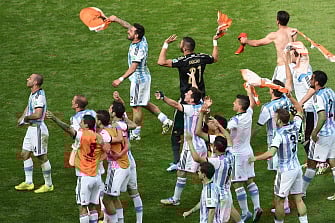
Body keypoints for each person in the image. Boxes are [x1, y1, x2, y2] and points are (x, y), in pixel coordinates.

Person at [157, 33, 222, 172]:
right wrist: (215, 42)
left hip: (187, 100)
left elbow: (161, 62)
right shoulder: (202, 57)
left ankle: (176, 161)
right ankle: (210, 158)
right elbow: (215, 58)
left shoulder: (182, 60)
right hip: (201, 100)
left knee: (177, 130)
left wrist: (165, 44)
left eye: (181, 44)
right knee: (203, 129)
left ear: (185, 48)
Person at [109, 15, 173, 140]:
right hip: (143, 77)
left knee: (136, 106)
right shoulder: (142, 39)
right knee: (143, 102)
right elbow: (128, 25)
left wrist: (120, 79)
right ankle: (165, 120)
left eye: (131, 31)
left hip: (139, 79)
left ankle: (136, 133)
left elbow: (133, 68)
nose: (128, 31)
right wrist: (116, 19)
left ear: (136, 35)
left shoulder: (138, 50)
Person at [249, 93, 308, 223]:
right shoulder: (295, 125)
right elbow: (300, 110)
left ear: (280, 121)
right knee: (298, 198)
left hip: (285, 171)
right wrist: (291, 97)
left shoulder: (278, 135)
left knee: (279, 200)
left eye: (275, 117)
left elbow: (271, 153)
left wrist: (255, 158)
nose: (274, 119)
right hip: (297, 167)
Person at [190, 101, 245, 223]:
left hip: (217, 193)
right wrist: (219, 126)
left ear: (214, 148)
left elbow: (197, 158)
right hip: (226, 191)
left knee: (215, 218)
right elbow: (229, 139)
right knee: (228, 213)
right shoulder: (230, 153)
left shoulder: (216, 161)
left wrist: (189, 142)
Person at [156, 85, 207, 206]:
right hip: (201, 145)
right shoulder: (201, 105)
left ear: (192, 100)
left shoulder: (190, 109)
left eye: (188, 94)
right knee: (204, 171)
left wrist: (163, 97)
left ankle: (176, 199)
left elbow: (175, 105)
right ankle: (210, 195)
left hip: (190, 147)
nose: (185, 94)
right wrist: (193, 78)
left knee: (182, 172)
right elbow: (195, 90)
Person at [227, 87, 263, 222]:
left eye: (235, 102)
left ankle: (245, 212)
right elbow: (252, 103)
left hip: (237, 154)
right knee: (250, 181)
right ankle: (257, 207)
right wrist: (249, 90)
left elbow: (227, 129)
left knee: (237, 183)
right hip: (248, 151)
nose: (233, 104)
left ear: (240, 106)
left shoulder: (235, 120)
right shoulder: (248, 113)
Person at [15, 73, 53, 193]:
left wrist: (26, 119)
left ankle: (48, 184)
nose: (27, 79)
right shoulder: (34, 94)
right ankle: (28, 182)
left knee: (41, 157)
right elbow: (29, 106)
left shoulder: (39, 97)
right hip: (31, 129)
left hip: (38, 129)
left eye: (30, 78)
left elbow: (37, 114)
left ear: (35, 82)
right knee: (25, 153)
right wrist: (22, 118)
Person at [110, 92, 143, 223]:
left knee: (111, 195)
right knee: (134, 192)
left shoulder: (113, 126)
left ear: (113, 113)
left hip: (120, 162)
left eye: (110, 108)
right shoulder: (124, 124)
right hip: (130, 160)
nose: (109, 109)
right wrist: (121, 104)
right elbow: (133, 125)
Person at [70, 115, 111, 223]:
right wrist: (99, 159)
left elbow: (71, 162)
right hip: (96, 177)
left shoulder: (82, 136)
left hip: (84, 177)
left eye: (82, 121)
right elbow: (107, 150)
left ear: (86, 125)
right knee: (92, 207)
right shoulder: (98, 137)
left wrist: (55, 119)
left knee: (82, 207)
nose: (80, 123)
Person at [301, 71, 335, 199]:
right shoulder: (330, 91)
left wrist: (314, 133)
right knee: (332, 161)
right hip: (333, 131)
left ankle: (302, 192)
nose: (310, 80)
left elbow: (322, 116)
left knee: (311, 162)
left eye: (311, 78)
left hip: (323, 135)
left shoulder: (317, 97)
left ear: (316, 82)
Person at [240, 11, 297, 83]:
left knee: (278, 92)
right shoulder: (293, 32)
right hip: (293, 66)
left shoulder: (275, 35)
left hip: (283, 68)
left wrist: (246, 41)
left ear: (277, 21)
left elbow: (257, 43)